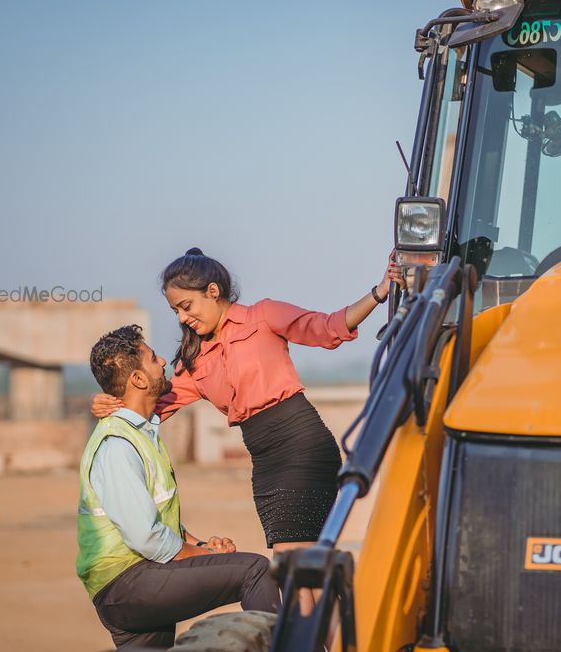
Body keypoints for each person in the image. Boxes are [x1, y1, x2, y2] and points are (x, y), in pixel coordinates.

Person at [92, 248, 403, 604]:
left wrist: (380, 291)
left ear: (212, 291)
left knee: (294, 569)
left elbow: (329, 326)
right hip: (266, 466)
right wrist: (108, 403)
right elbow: (150, 404)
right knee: (300, 576)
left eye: (186, 306)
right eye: (175, 311)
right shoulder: (194, 361)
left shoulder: (264, 316)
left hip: (302, 446)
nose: (182, 317)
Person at [78, 324, 281, 650]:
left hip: (133, 583)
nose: (162, 362)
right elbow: (146, 537)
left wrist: (200, 544)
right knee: (255, 570)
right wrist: (201, 554)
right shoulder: (117, 443)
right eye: (152, 357)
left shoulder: (142, 433)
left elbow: (158, 520)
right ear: (138, 380)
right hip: (129, 582)